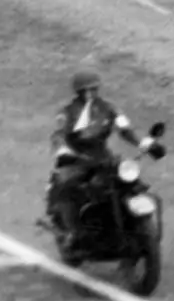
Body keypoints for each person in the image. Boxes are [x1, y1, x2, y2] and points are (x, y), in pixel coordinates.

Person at [45, 71, 156, 252]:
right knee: (68, 186)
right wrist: (63, 151)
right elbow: (58, 136)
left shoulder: (109, 108)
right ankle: (72, 230)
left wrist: (142, 143)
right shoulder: (67, 112)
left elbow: (124, 129)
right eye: (85, 90)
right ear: (78, 92)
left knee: (134, 185)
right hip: (77, 159)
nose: (89, 93)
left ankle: (138, 229)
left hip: (104, 157)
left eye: (93, 89)